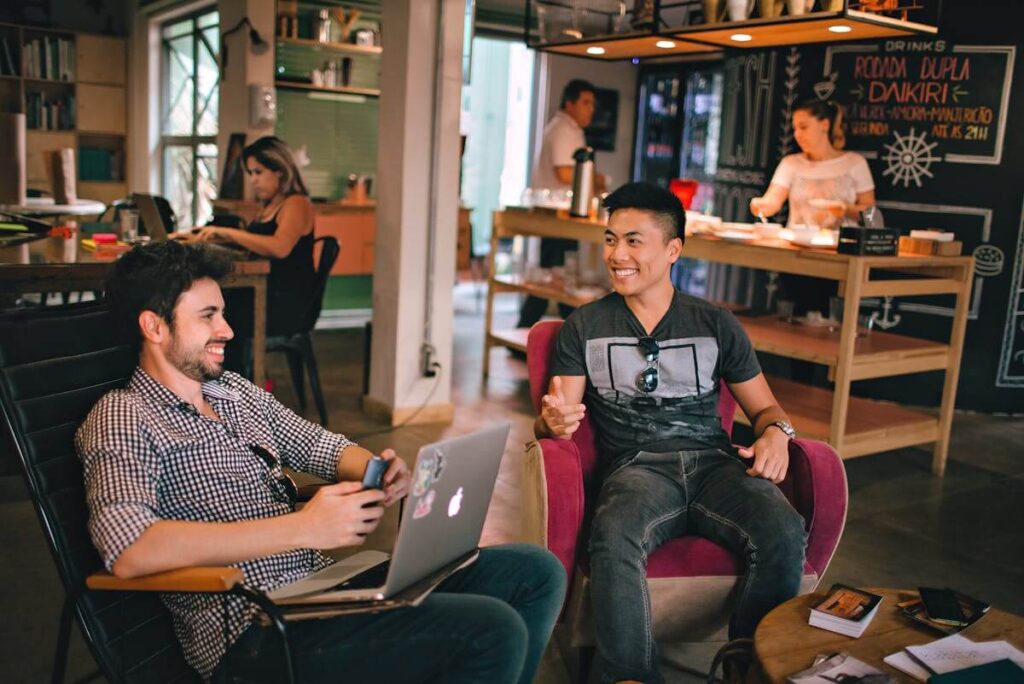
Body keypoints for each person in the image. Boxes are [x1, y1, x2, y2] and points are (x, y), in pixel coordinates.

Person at [77, 240, 566, 683]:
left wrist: (376, 470)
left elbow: (324, 447)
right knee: (491, 630)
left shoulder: (233, 393)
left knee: (535, 572)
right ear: (154, 326)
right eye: (207, 316)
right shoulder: (124, 415)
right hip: (254, 633)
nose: (227, 329)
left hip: (323, 593)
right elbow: (129, 549)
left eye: (222, 313)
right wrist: (304, 529)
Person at [535, 183, 807, 684]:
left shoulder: (715, 323)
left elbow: (766, 408)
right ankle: (629, 677)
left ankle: (749, 670)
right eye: (610, 239)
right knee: (614, 532)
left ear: (673, 249)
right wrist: (551, 423)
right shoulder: (585, 325)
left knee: (783, 529)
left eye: (634, 241)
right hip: (637, 469)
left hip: (716, 466)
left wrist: (777, 434)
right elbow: (558, 413)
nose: (617, 255)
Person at [194, 136, 316, 339]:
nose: (253, 180)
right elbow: (254, 242)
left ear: (280, 171)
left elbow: (280, 247)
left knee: (214, 310)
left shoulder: (296, 203)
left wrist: (227, 232)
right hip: (267, 292)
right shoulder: (269, 205)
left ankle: (230, 369)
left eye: (258, 172)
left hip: (285, 302)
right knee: (210, 303)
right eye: (250, 173)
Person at [517, 79, 606, 331]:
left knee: (557, 276)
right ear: (570, 103)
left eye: (592, 104)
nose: (591, 109)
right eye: (586, 103)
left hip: (564, 216)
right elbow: (565, 174)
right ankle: (537, 331)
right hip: (557, 216)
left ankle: (556, 332)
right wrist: (596, 178)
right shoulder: (563, 130)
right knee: (555, 277)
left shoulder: (570, 129)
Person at [749, 99, 875, 229]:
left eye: (803, 127)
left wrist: (845, 209)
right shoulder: (790, 163)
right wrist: (761, 205)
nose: (797, 134)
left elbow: (871, 214)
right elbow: (773, 201)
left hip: (841, 245)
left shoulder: (855, 163)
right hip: (796, 244)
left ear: (824, 125)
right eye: (795, 129)